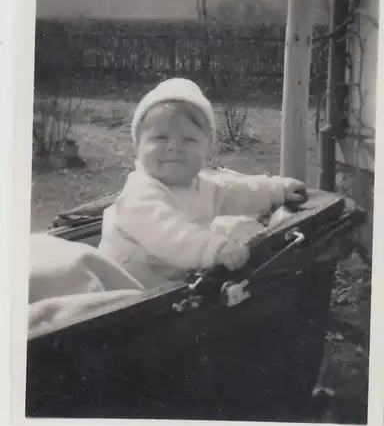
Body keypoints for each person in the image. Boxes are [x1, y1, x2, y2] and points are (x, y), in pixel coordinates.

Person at [98, 78, 306, 288]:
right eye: (160, 138)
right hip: (125, 282)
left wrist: (277, 191)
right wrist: (214, 249)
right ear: (137, 146)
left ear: (207, 150)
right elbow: (170, 234)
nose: (174, 147)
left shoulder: (199, 184)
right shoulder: (140, 193)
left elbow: (237, 191)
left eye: (189, 140)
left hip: (168, 275)